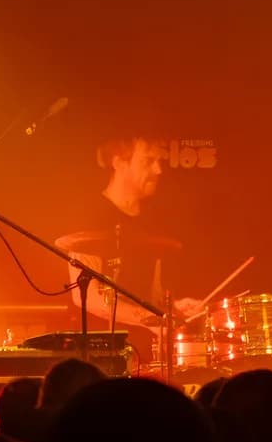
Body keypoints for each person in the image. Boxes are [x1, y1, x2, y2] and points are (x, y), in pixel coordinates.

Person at [58, 133, 203, 332]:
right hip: (100, 342)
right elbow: (87, 298)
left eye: (158, 161)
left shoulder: (153, 218)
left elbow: (152, 297)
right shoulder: (90, 215)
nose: (158, 170)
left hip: (145, 344)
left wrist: (173, 308)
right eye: (148, 161)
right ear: (119, 163)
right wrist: (149, 318)